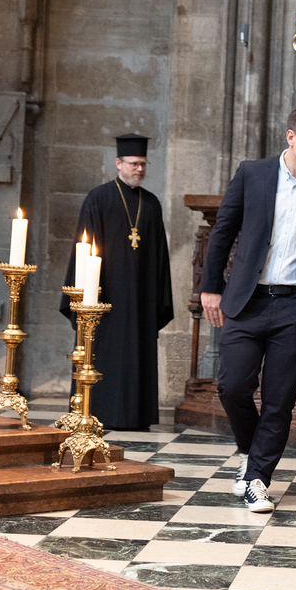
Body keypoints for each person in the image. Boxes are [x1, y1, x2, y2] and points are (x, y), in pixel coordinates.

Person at [200, 101, 296, 513]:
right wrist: (210, 288)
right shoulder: (253, 174)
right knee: (232, 387)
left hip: (295, 307)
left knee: (280, 400)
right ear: (291, 136)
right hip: (247, 301)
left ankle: (257, 479)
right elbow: (222, 231)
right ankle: (251, 453)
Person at [60, 133, 173, 431]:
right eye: (134, 164)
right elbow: (83, 249)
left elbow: (160, 256)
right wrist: (86, 297)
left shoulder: (151, 204)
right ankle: (98, 412)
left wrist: (159, 298)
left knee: (137, 353)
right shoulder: (98, 199)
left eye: (143, 164)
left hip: (141, 297)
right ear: (118, 163)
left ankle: (136, 416)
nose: (139, 169)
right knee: (104, 352)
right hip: (104, 296)